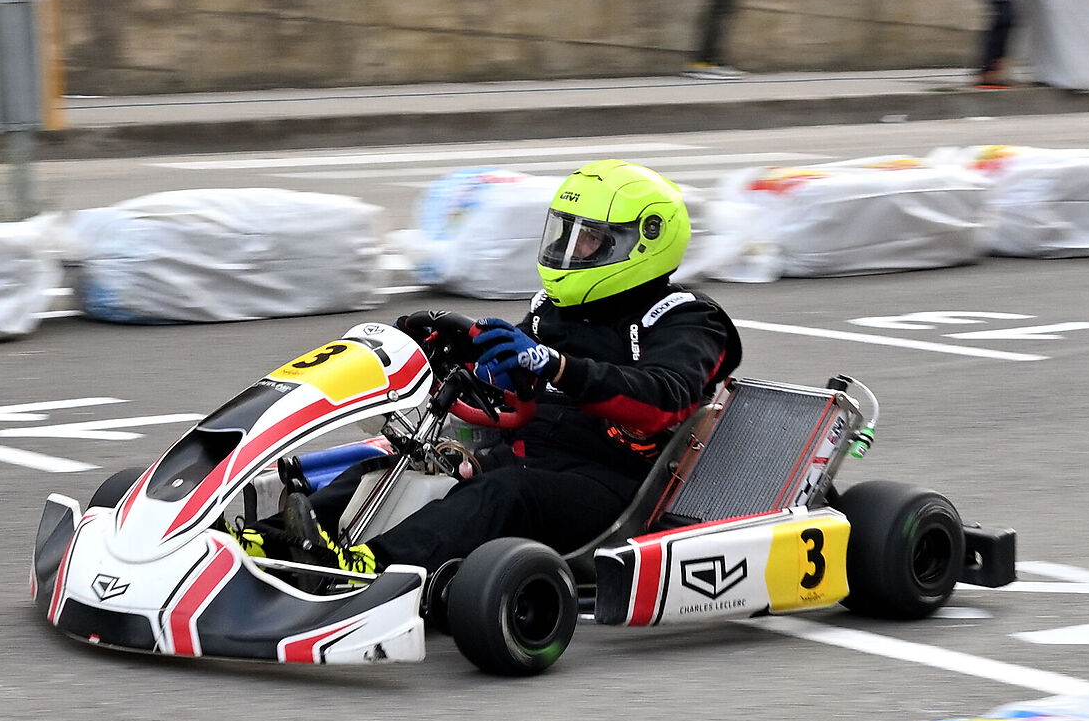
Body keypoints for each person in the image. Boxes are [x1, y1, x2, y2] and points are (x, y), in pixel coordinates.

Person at [259, 160, 742, 597]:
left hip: (611, 487)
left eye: (590, 240)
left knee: (503, 492)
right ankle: (276, 539)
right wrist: (452, 350)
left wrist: (557, 366)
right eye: (566, 236)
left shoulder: (686, 319)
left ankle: (367, 569)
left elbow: (665, 400)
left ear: (643, 242)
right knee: (404, 460)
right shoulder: (555, 310)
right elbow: (510, 381)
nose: (570, 251)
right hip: (524, 454)